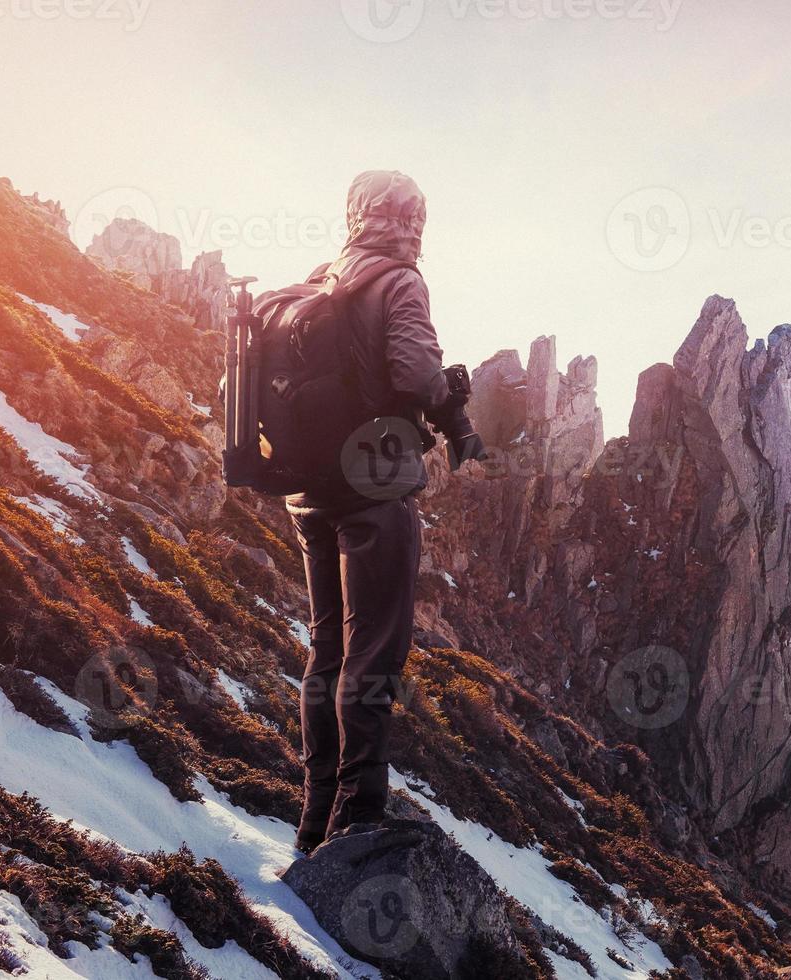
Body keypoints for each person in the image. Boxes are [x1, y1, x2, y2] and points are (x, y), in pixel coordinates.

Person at [287, 170, 478, 853]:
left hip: (310, 491)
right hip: (372, 486)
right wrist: (448, 392)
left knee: (329, 649)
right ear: (405, 220)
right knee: (375, 650)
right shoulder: (399, 281)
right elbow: (413, 373)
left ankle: (314, 818)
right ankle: (359, 812)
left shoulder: (325, 276)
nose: (417, 227)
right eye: (415, 216)